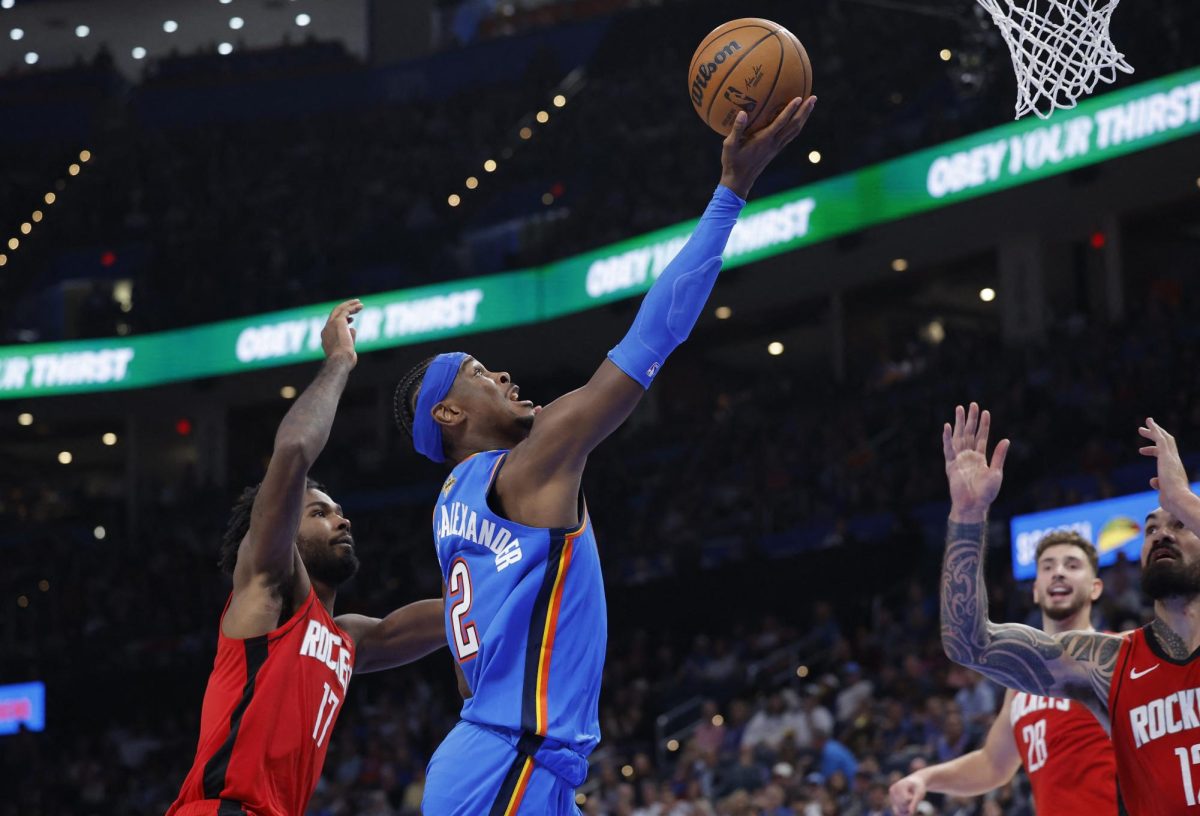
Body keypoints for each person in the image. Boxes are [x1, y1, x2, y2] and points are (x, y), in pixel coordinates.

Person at [394, 97, 817, 814]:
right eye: (480, 373)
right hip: (509, 758)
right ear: (448, 412)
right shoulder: (526, 464)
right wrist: (730, 194)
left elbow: (470, 672)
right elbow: (653, 338)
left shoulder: (451, 511)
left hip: (508, 760)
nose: (503, 376)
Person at [168, 301, 447, 816]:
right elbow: (293, 451)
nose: (342, 519)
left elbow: (422, 624)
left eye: (340, 511)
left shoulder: (344, 638)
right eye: (319, 512)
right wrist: (340, 360)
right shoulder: (267, 587)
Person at [938, 403, 1200, 816]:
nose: (1161, 533)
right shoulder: (1108, 664)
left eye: (1179, 524)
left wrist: (1184, 498)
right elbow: (968, 643)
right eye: (1150, 529)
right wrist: (968, 516)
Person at [890, 530, 1117, 815]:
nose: (1058, 573)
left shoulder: (1117, 656)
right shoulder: (1022, 683)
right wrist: (925, 777)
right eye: (1047, 567)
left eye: (1072, 565)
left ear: (1096, 587)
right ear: (1035, 590)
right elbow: (993, 764)